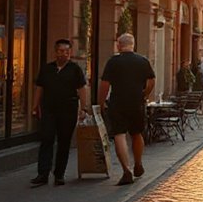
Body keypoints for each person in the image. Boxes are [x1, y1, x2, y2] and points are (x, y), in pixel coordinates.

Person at [99, 33, 155, 186]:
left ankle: (126, 170)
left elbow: (105, 84)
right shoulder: (142, 61)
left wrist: (101, 102)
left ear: (118, 45)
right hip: (136, 102)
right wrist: (145, 94)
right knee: (136, 133)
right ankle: (138, 163)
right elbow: (151, 80)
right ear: (133, 44)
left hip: (118, 102)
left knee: (119, 134)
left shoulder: (113, 62)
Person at [30, 39, 88, 187]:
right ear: (55, 52)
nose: (64, 54)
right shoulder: (47, 69)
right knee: (47, 139)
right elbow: (39, 87)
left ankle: (59, 174)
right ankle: (43, 173)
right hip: (49, 109)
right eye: (61, 51)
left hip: (68, 110)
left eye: (67, 52)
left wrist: (84, 108)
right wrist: (35, 105)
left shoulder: (75, 69)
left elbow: (82, 89)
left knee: (64, 141)